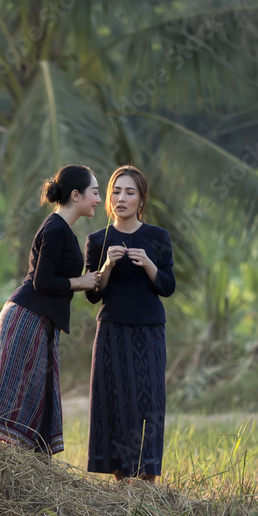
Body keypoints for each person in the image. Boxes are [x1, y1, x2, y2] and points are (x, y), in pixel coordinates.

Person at [0, 165, 102, 456]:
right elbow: (43, 281)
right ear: (76, 195)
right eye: (95, 192)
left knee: (36, 394)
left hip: (37, 320)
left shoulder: (63, 230)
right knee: (17, 395)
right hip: (27, 318)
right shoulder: (55, 228)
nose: (99, 200)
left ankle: (25, 469)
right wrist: (80, 282)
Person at [84, 165, 175, 483]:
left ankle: (149, 481)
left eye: (129, 192)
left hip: (150, 331)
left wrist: (149, 264)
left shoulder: (157, 237)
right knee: (115, 402)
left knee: (150, 403)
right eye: (115, 192)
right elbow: (93, 295)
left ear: (141, 199)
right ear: (108, 199)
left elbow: (167, 286)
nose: (121, 198)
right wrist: (107, 265)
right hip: (112, 332)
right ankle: (121, 482)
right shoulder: (98, 240)